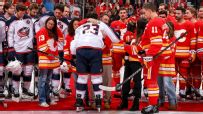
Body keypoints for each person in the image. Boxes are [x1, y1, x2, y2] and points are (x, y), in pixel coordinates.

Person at [71, 15, 120, 112]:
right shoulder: (101, 24)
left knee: (82, 77)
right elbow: (116, 39)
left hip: (80, 50)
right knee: (96, 77)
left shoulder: (80, 27)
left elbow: (73, 45)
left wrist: (74, 55)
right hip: (95, 49)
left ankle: (79, 102)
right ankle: (98, 102)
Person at [134, 2, 166, 113]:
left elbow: (156, 44)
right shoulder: (160, 21)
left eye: (144, 12)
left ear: (149, 10)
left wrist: (147, 57)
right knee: (152, 80)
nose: (144, 15)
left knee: (151, 80)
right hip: (155, 55)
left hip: (153, 56)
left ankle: (153, 105)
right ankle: (154, 104)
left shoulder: (154, 22)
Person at [7, 3, 34, 101]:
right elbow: (10, 35)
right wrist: (11, 48)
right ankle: (15, 90)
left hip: (29, 49)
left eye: (24, 13)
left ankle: (26, 90)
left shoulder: (29, 19)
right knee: (17, 71)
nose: (23, 15)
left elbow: (32, 32)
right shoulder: (11, 21)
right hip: (18, 49)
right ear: (16, 11)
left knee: (29, 70)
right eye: (21, 13)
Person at [35, 16, 63, 107]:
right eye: (49, 23)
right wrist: (50, 53)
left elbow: (61, 38)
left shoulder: (53, 32)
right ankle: (42, 100)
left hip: (51, 59)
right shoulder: (42, 31)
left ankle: (47, 98)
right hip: (45, 59)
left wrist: (56, 28)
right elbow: (41, 46)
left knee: (48, 81)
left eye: (52, 24)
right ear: (46, 22)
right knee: (42, 80)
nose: (50, 25)